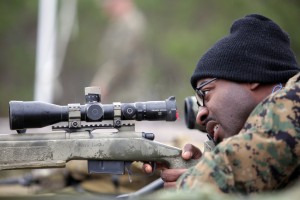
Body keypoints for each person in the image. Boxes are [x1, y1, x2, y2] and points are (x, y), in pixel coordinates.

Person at [143, 13, 300, 194]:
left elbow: (251, 158)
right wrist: (201, 165)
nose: (200, 115)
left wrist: (196, 180)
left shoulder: (294, 99)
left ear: (251, 76)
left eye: (206, 93)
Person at [91, 0, 152, 102]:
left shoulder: (130, 24)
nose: (107, 11)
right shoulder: (121, 24)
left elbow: (123, 59)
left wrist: (103, 81)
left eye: (111, 6)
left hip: (128, 92)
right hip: (120, 91)